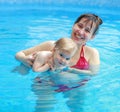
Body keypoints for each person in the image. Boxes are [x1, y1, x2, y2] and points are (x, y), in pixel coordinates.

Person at [15, 13, 103, 75]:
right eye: (79, 26)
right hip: (47, 83)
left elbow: (93, 73)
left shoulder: (92, 53)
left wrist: (69, 70)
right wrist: (24, 59)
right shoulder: (52, 45)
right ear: (73, 25)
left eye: (87, 30)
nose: (80, 32)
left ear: (92, 37)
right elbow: (19, 54)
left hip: (75, 86)